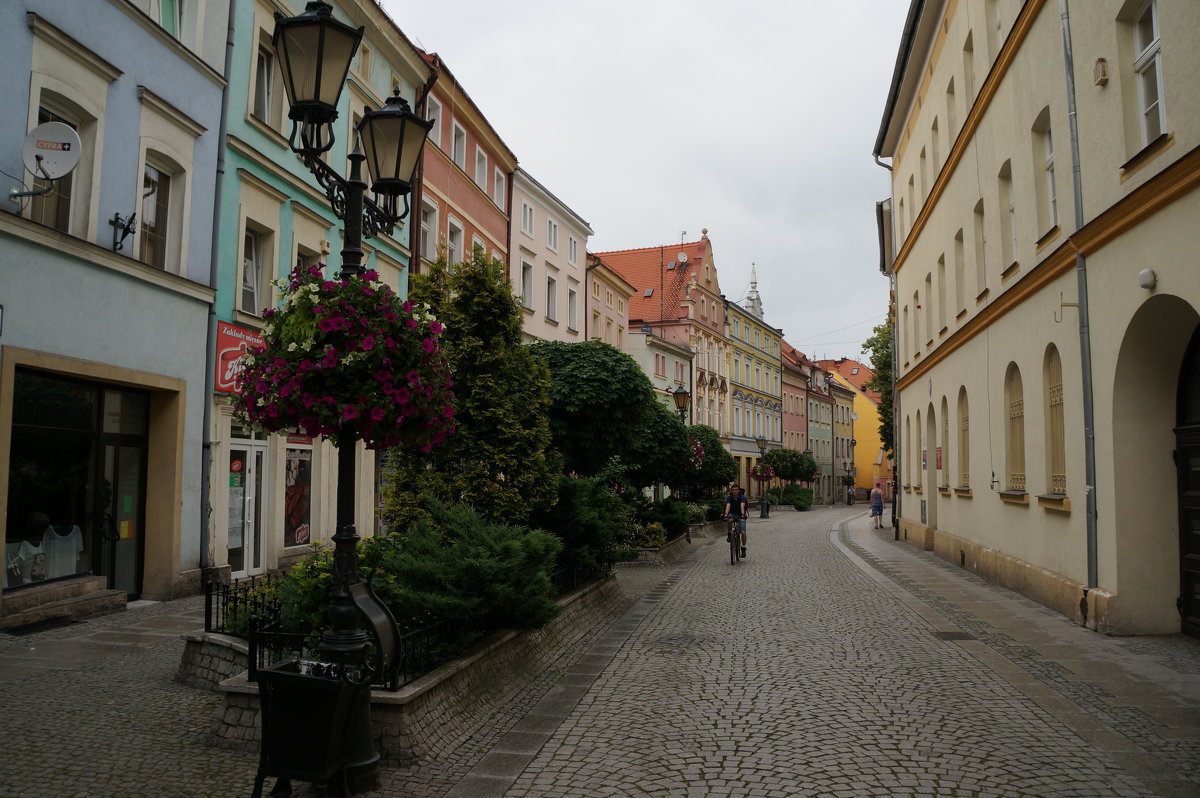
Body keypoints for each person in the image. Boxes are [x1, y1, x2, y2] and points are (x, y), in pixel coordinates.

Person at [724, 485, 749, 558]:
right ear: (731, 491)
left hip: (740, 514)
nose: (734, 491)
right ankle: (729, 533)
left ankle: (743, 548)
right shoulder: (729, 497)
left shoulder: (742, 497)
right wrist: (725, 514)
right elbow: (728, 505)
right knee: (729, 520)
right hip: (733, 514)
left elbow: (742, 505)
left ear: (738, 491)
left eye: (736, 490)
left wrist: (742, 514)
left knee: (743, 532)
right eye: (733, 490)